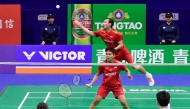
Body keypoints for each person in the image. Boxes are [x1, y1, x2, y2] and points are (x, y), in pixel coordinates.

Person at [74, 18, 154, 86]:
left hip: (123, 52)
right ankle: (120, 88)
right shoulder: (101, 32)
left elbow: (121, 45)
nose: (103, 23)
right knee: (116, 71)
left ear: (110, 24)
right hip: (114, 54)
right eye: (103, 22)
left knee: (135, 66)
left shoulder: (117, 34)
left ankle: (147, 75)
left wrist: (113, 50)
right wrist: (80, 25)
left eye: (105, 22)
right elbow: (90, 33)